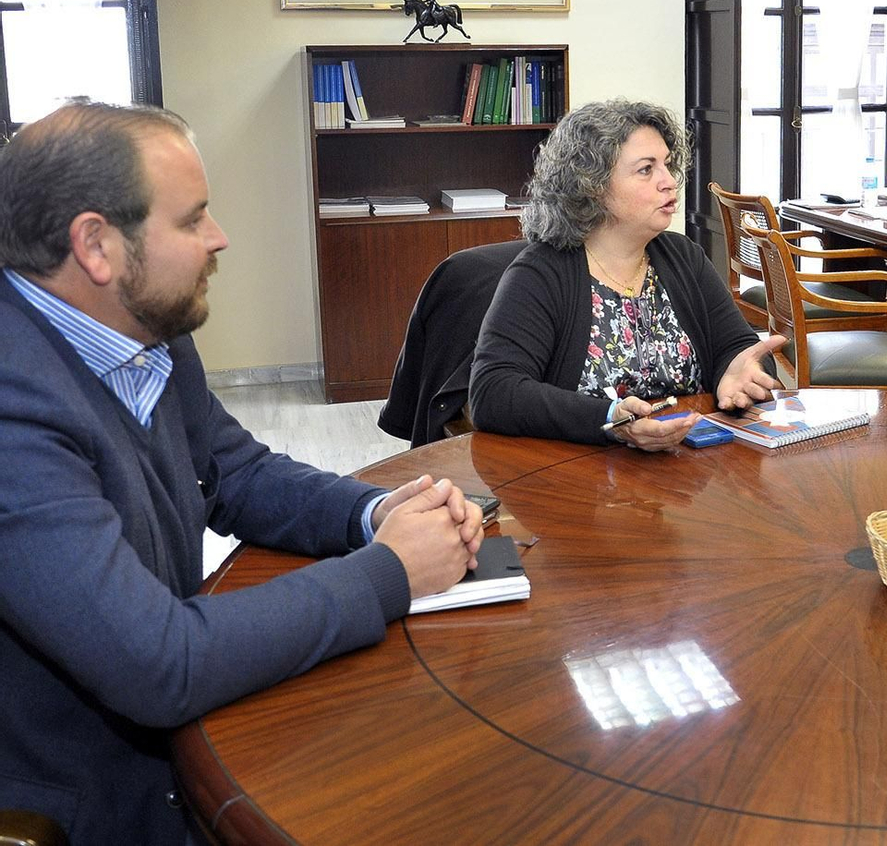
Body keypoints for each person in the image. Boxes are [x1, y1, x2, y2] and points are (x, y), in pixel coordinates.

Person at [0, 102, 486, 845]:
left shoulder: (139, 323)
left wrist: (379, 510)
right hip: (100, 803)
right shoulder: (13, 409)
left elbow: (238, 473)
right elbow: (158, 661)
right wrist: (390, 570)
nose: (219, 237)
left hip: (195, 721)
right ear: (95, 246)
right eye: (193, 219)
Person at [470, 99, 782, 450]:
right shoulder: (541, 274)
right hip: (580, 474)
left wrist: (737, 374)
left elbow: (737, 348)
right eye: (646, 169)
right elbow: (493, 391)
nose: (669, 182)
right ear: (594, 186)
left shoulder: (684, 257)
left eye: (666, 165)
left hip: (688, 470)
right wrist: (609, 418)